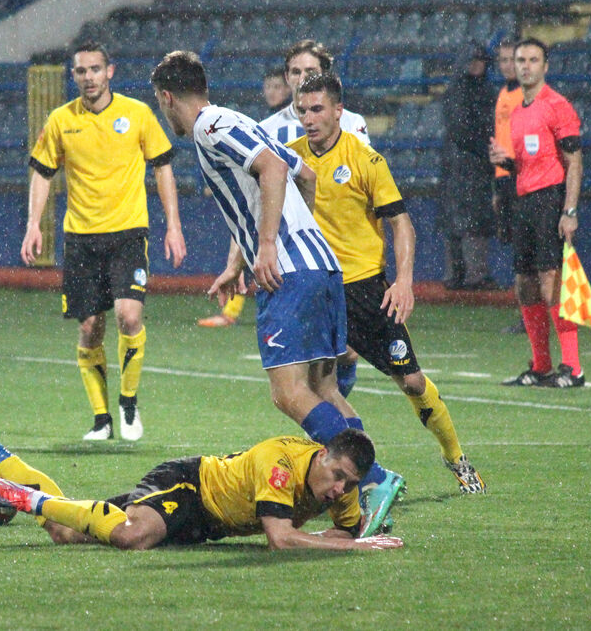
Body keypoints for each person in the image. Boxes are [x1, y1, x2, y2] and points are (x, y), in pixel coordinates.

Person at [150, 50, 403, 536]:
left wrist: (270, 245)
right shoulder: (242, 121)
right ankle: (370, 489)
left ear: (166, 98)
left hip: (289, 274)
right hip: (322, 266)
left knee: (289, 393)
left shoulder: (209, 125)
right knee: (325, 390)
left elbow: (272, 170)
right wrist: (248, 257)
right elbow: (304, 175)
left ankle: (371, 480)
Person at [288, 72, 485, 493]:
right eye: (302, 110)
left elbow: (401, 222)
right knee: (318, 388)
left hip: (364, 290)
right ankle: (359, 476)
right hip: (318, 290)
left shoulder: (365, 160)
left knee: (411, 381)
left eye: (317, 109)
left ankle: (456, 457)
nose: (308, 118)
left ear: (338, 110)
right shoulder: (290, 159)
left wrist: (404, 281)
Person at [22, 41, 187, 441]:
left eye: (96, 69)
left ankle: (128, 403)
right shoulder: (61, 120)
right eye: (81, 71)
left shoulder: (137, 114)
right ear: (74, 76)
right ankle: (101, 419)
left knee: (130, 316)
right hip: (80, 238)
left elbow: (162, 167)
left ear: (109, 71)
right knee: (90, 327)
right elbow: (42, 173)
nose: (89, 77)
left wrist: (174, 225)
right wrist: (33, 224)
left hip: (128, 232)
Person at [198, 39, 366, 401]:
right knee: (313, 367)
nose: (301, 78)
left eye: (310, 72)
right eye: (295, 71)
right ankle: (335, 440)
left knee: (346, 353)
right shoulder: (266, 128)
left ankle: (337, 436)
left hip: (342, 245)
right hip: (295, 254)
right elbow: (253, 205)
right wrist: (237, 261)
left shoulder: (352, 123)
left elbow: (364, 184)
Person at [0, 428, 402, 552]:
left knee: (62, 531)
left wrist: (347, 535)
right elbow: (280, 539)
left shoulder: (342, 489)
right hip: (188, 485)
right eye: (339, 475)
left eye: (350, 483)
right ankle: (28, 498)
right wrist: (353, 547)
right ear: (324, 455)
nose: (341, 489)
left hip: (207, 525)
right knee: (133, 535)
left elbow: (348, 529)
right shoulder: (281, 463)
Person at [490, 38, 585, 388]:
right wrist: (508, 164)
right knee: (525, 284)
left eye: (533, 60)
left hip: (550, 201)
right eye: (520, 60)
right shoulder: (518, 112)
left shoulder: (557, 105)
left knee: (552, 283)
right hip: (524, 202)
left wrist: (569, 210)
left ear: (545, 66)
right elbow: (532, 162)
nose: (526, 66)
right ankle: (541, 365)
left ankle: (573, 368)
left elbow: (574, 161)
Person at [440, 42, 498, 291]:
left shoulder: (480, 90)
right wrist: (484, 150)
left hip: (467, 163)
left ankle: (469, 274)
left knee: (469, 220)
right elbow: (461, 130)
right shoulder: (461, 92)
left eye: (481, 61)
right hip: (464, 163)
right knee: (465, 220)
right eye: (473, 60)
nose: (477, 65)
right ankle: (465, 274)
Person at [492, 39, 528, 334]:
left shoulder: (525, 97)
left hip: (521, 177)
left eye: (511, 60)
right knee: (517, 249)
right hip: (505, 178)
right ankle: (527, 315)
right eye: (502, 60)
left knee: (526, 251)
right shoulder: (504, 92)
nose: (507, 65)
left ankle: (531, 315)